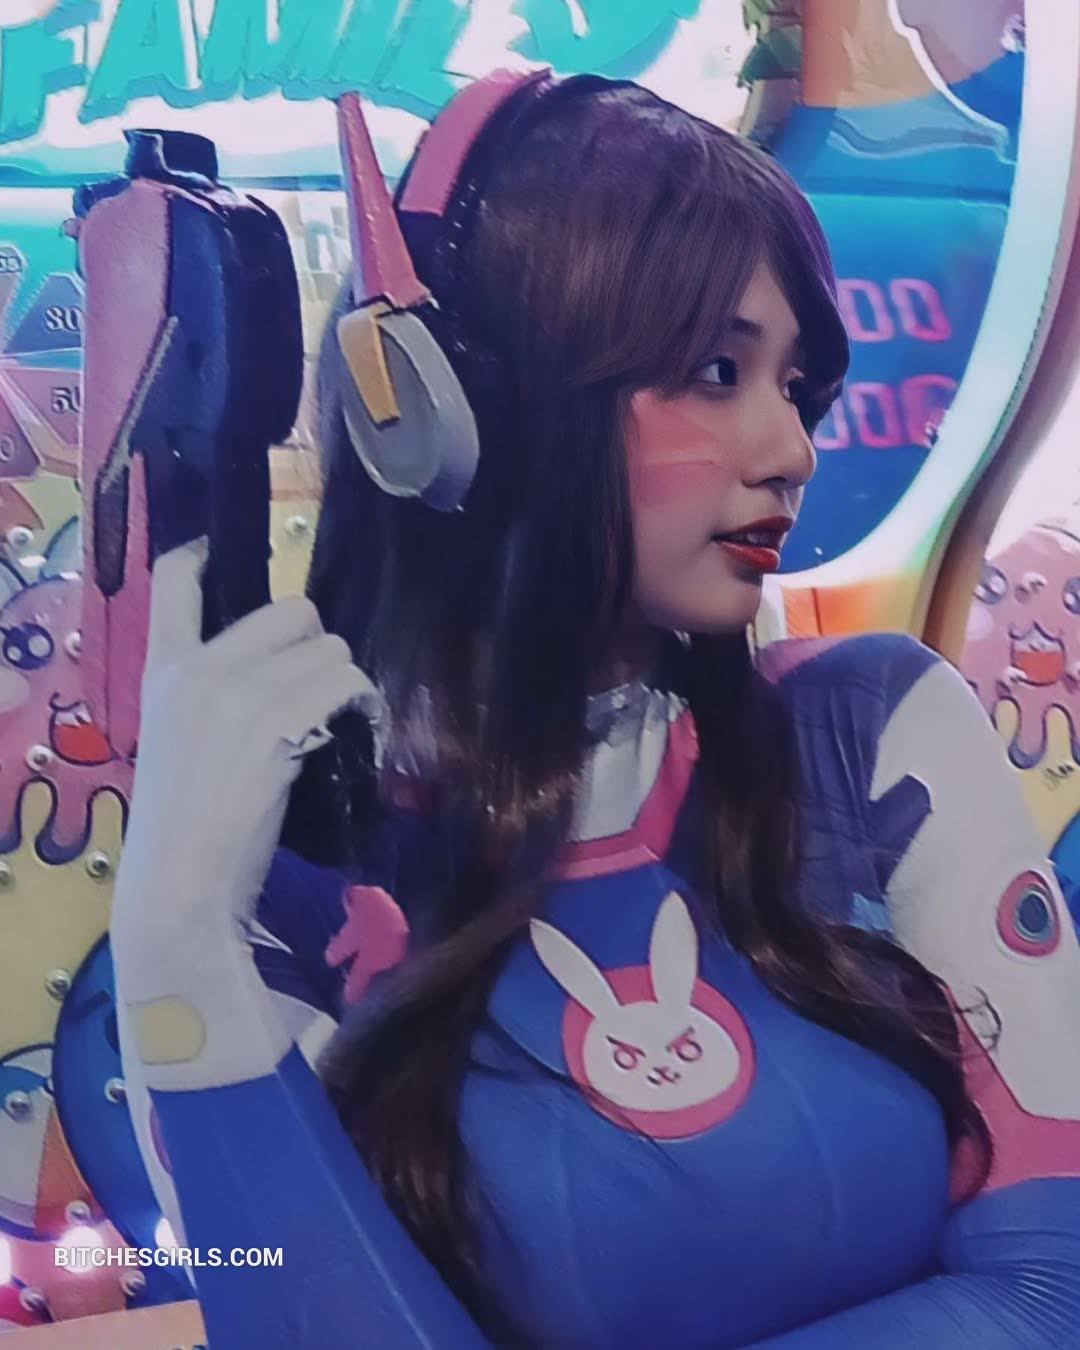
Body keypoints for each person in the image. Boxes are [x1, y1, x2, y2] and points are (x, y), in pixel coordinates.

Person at [109, 71, 1080, 1349]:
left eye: (795, 384)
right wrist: (178, 945)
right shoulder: (266, 884)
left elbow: (1055, 1288)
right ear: (445, 406)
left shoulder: (869, 744)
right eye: (717, 370)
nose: (791, 449)